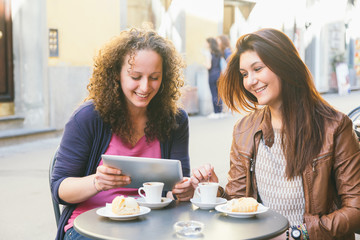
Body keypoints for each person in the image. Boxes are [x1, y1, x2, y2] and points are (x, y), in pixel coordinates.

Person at [191, 28, 360, 239]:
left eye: (258, 69)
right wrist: (214, 191)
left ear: (284, 65)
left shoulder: (335, 127)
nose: (250, 81)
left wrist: (296, 234)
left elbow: (356, 210)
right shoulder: (244, 129)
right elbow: (237, 203)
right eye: (244, 74)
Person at [50, 27, 194, 240]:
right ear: (116, 74)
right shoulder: (88, 118)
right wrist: (96, 182)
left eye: (154, 77)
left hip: (154, 225)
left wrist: (185, 189)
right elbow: (60, 189)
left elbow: (178, 188)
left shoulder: (176, 120)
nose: (145, 87)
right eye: (135, 76)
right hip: (91, 226)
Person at [204, 37, 223, 119]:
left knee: (214, 93)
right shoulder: (219, 52)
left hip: (212, 75)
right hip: (219, 74)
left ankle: (216, 112)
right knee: (219, 93)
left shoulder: (208, 53)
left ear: (209, 43)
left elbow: (208, 66)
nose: (205, 44)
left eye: (206, 42)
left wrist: (204, 64)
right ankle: (220, 112)